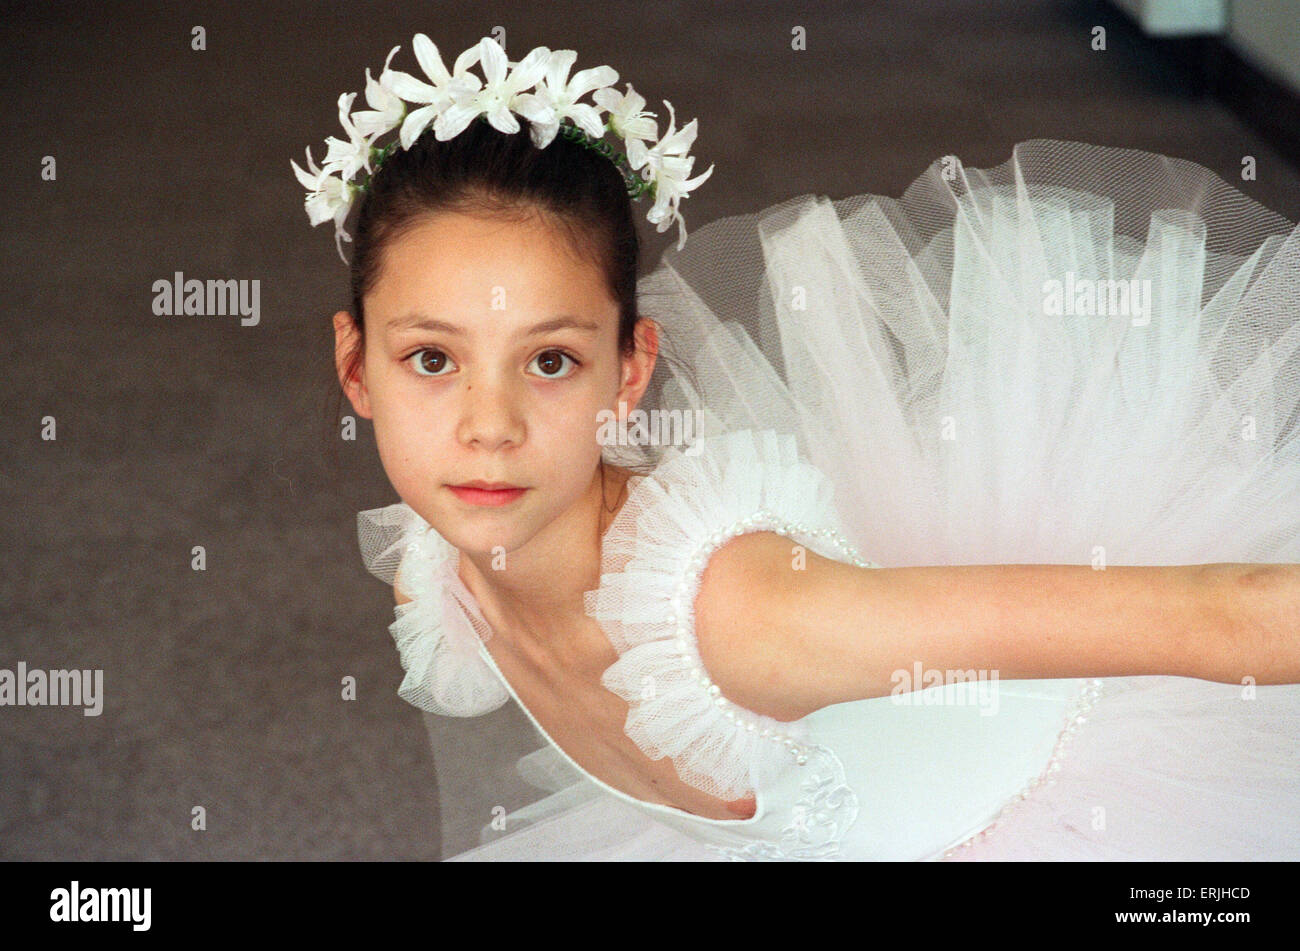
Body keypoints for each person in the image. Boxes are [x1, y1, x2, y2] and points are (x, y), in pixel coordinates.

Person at [297, 33, 1300, 860]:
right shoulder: (437, 574)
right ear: (356, 369)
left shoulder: (748, 618)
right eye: (432, 359)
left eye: (549, 361)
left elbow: (1215, 616)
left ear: (627, 373)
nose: (488, 424)